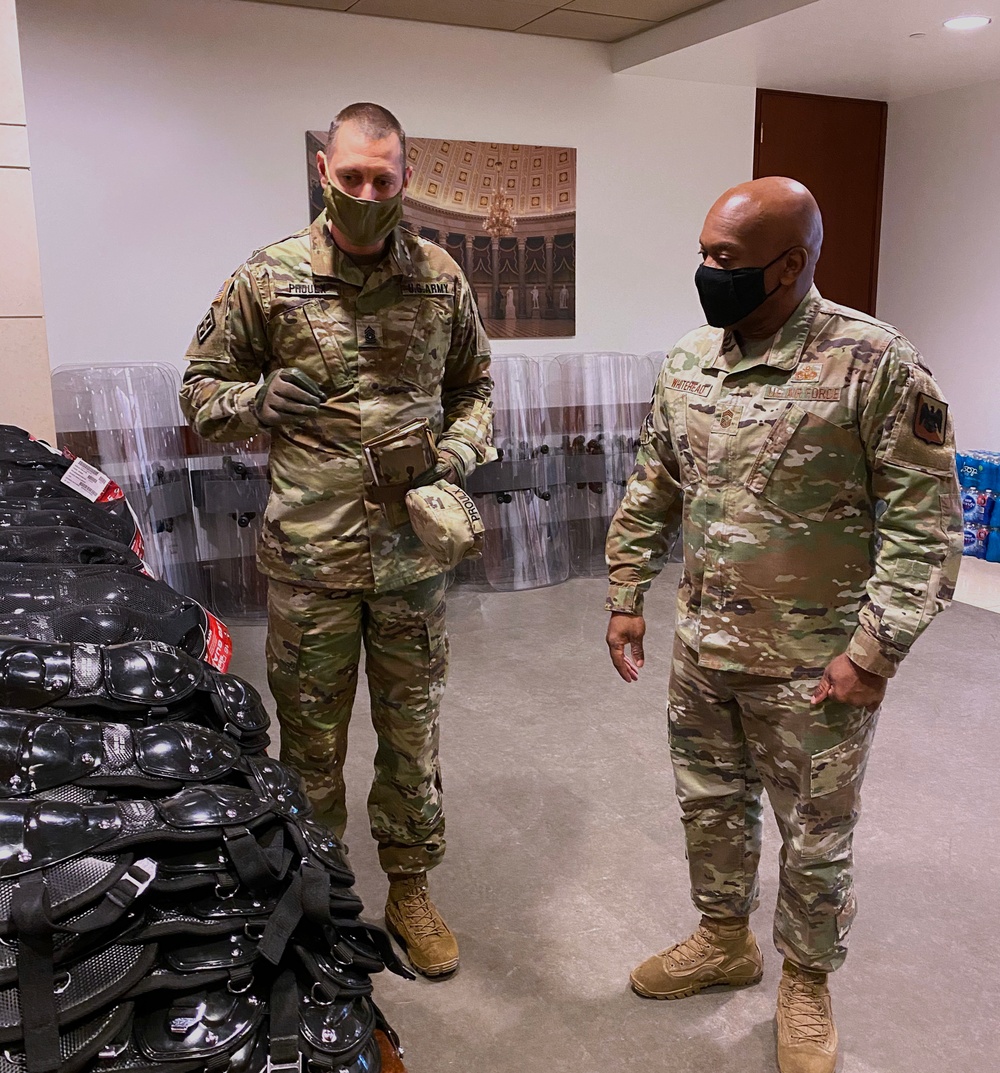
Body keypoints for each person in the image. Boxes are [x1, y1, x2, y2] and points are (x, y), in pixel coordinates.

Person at [604, 177, 962, 1073]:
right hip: (704, 650)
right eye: (703, 253)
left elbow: (927, 526)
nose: (706, 272)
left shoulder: (876, 364)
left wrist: (874, 652)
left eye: (725, 260)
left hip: (815, 667)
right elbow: (655, 481)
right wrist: (625, 591)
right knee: (711, 805)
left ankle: (806, 981)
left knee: (815, 831)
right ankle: (724, 937)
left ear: (791, 264)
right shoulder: (691, 362)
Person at [180, 101, 494, 979]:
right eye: (350, 176)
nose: (365, 192)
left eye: (381, 179)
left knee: (412, 735)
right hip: (310, 564)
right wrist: (253, 403)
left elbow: (477, 387)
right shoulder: (267, 278)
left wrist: (454, 454)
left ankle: (412, 887)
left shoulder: (441, 277)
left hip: (409, 564)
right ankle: (322, 897)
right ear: (324, 169)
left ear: (405, 176)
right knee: (309, 746)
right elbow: (198, 387)